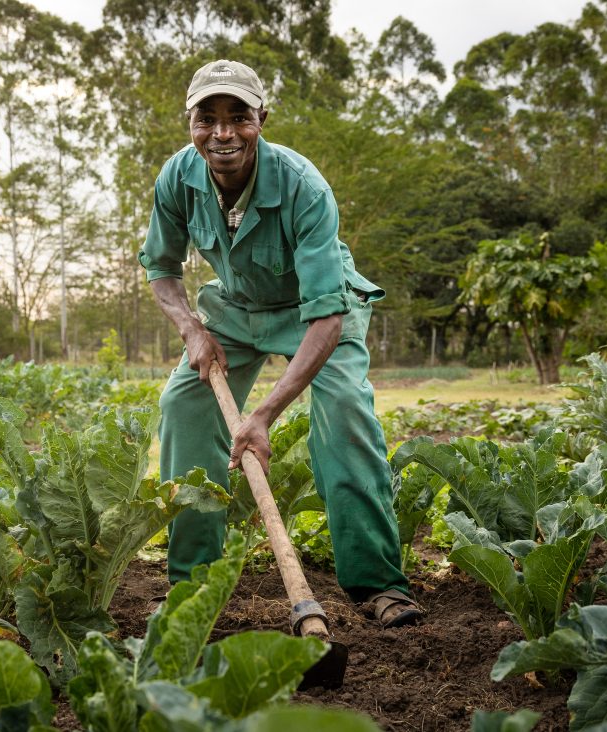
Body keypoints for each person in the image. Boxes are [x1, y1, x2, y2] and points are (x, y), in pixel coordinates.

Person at [138, 59, 422, 627]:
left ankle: (378, 584)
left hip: (315, 311)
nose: (223, 133)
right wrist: (193, 330)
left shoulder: (303, 186)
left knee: (343, 410)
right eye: (207, 118)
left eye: (238, 117)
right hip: (236, 307)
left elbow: (326, 319)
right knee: (183, 403)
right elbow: (161, 269)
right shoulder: (176, 178)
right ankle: (192, 582)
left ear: (261, 119)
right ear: (190, 122)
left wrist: (263, 414)